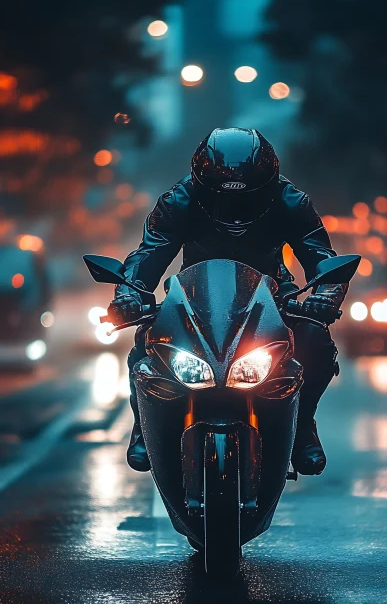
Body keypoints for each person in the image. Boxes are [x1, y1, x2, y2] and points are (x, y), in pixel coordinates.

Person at [107, 128, 349, 475]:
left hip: (273, 296)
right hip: (195, 297)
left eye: (248, 198)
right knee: (146, 339)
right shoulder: (177, 201)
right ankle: (143, 427)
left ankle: (302, 426)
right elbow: (148, 255)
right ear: (200, 185)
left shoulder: (292, 202)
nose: (235, 212)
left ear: (269, 185)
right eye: (223, 199)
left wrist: (324, 297)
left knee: (315, 339)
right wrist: (128, 295)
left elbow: (321, 255)